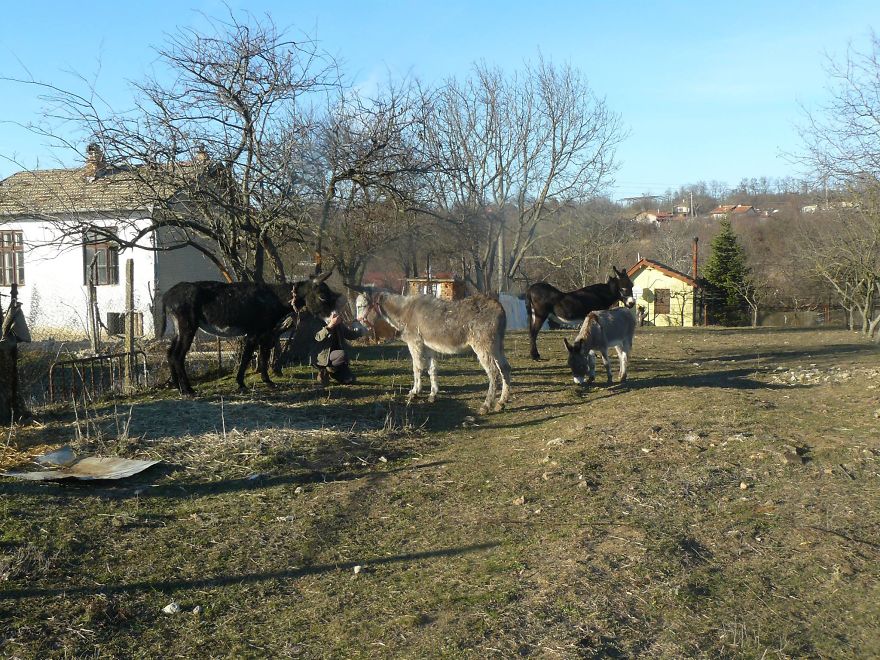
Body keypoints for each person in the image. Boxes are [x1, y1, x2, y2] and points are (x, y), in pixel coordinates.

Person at [313, 310, 365, 386]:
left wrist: (360, 332)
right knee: (342, 354)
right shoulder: (317, 321)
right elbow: (317, 338)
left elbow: (349, 334)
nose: (335, 315)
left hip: (336, 358)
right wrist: (330, 326)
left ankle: (333, 372)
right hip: (322, 357)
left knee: (350, 379)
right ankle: (325, 369)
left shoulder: (339, 324)